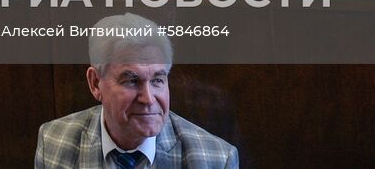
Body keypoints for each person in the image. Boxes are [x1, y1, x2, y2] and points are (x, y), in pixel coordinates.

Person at [35, 14, 237, 169]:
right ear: (95, 83)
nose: (148, 99)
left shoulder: (216, 159)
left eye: (158, 80)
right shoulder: (53, 140)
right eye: (131, 81)